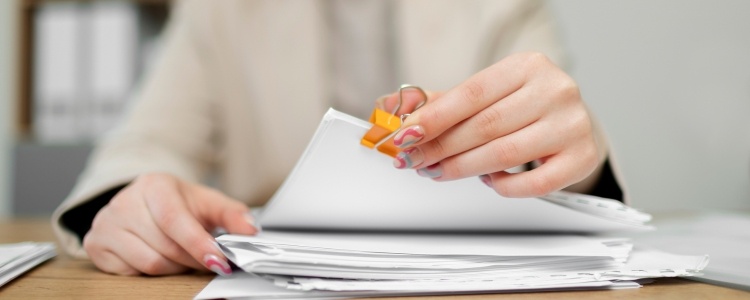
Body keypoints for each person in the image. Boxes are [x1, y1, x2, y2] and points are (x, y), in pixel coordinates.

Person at [52, 0, 624, 277]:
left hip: (462, 278)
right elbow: (143, 147)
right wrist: (133, 204)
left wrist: (574, 152)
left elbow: (550, 121)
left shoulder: (497, 6)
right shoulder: (219, 11)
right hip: (273, 275)